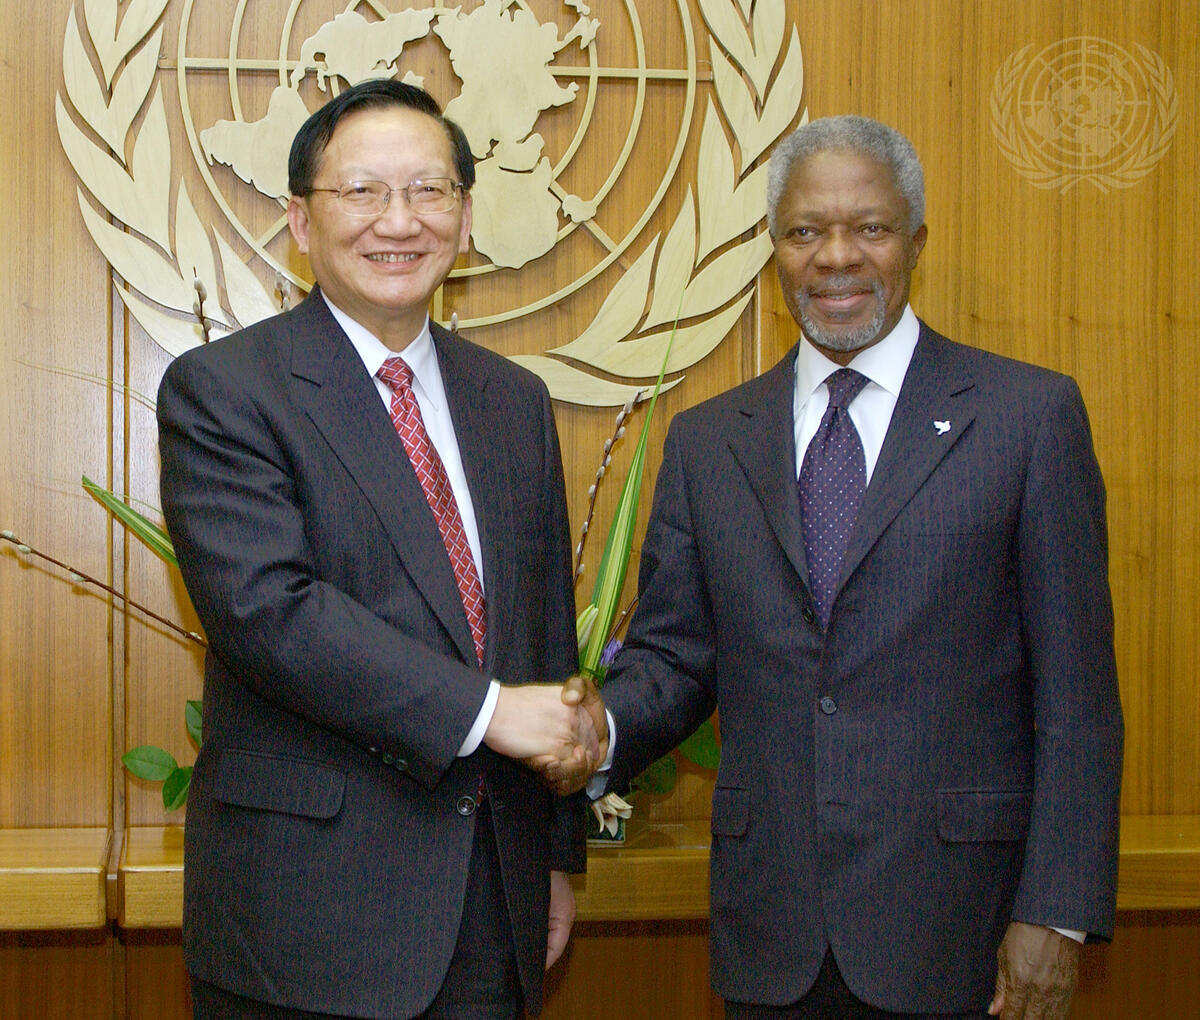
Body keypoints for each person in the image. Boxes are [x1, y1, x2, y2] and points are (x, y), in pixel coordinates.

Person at [567, 115, 1123, 1019]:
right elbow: (675, 661)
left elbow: (1079, 699)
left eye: (869, 227)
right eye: (804, 231)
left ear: (917, 242)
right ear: (774, 249)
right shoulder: (708, 442)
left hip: (964, 927)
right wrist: (590, 736)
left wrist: (1057, 910)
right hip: (771, 932)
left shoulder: (1027, 419)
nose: (836, 257)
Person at [157, 79, 597, 1019]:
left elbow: (543, 634)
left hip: (491, 903)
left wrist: (558, 854)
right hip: (306, 917)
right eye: (361, 191)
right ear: (300, 222)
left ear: (465, 218)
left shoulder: (512, 401)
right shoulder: (225, 389)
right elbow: (268, 615)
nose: (399, 221)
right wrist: (489, 713)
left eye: (429, 190)